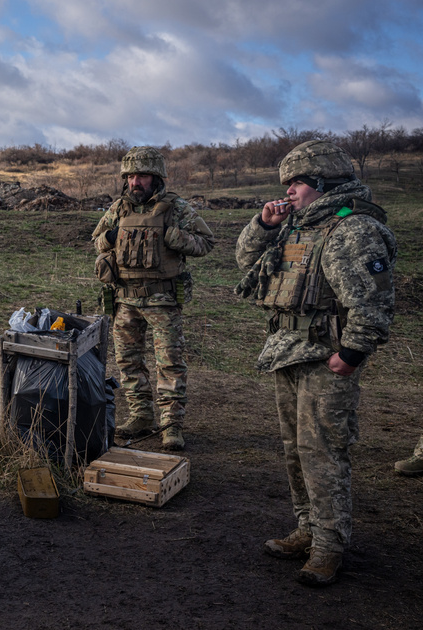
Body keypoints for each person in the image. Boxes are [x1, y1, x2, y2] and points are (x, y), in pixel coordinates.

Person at [235, 139, 396, 586]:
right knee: (294, 450)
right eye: (285, 183)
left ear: (323, 183)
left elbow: (372, 301)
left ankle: (329, 545)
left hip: (327, 360)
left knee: (322, 452)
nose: (287, 191)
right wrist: (264, 224)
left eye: (296, 183)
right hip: (287, 352)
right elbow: (247, 263)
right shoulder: (298, 225)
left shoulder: (352, 229)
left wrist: (353, 352)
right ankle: (306, 528)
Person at [92, 146, 215, 450]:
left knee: (170, 363)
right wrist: (107, 239)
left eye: (142, 175)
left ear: (156, 178)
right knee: (128, 362)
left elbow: (206, 242)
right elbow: (97, 240)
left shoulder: (177, 208)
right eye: (131, 176)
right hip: (125, 300)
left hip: (162, 299)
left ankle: (171, 425)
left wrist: (178, 239)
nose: (135, 181)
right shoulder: (119, 208)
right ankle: (140, 414)